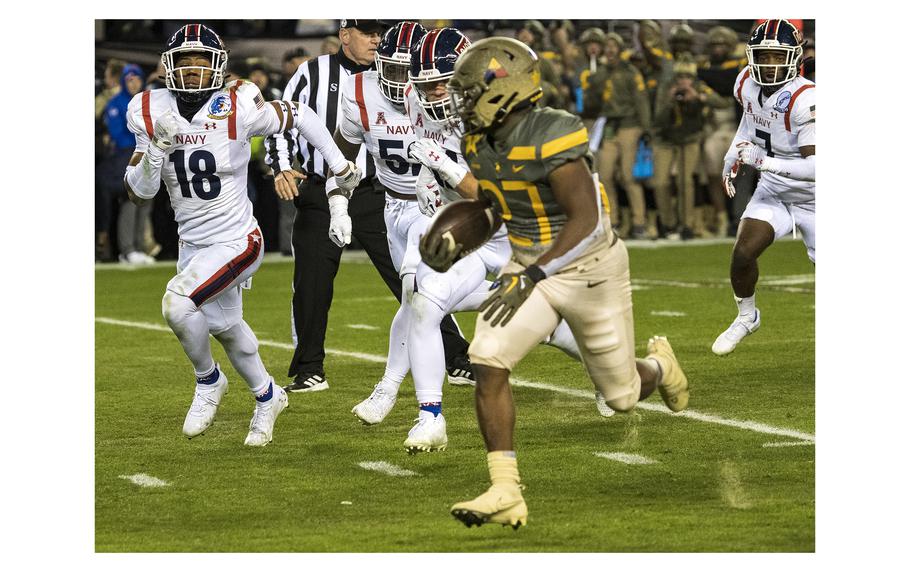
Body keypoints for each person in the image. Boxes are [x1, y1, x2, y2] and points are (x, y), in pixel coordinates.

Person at [426, 37, 689, 529]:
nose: (459, 101)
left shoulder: (554, 132)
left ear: (502, 90)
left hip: (589, 266)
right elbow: (493, 206)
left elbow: (585, 219)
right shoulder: (479, 142)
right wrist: (462, 233)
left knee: (622, 396)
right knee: (487, 358)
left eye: (467, 91)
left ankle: (658, 366)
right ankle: (505, 488)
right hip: (530, 260)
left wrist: (533, 274)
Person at [122, 24, 361, 446]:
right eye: (184, 62)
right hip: (192, 242)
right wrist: (157, 147)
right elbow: (140, 193)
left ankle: (208, 381)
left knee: (177, 305)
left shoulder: (237, 103)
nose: (193, 70)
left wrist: (338, 164)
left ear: (218, 66)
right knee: (227, 327)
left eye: (201, 62)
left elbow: (300, 114)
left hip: (237, 238)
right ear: (168, 67)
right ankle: (268, 396)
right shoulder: (147, 108)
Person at [265, 19, 472, 393]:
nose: (376, 38)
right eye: (367, 31)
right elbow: (283, 117)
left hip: (383, 192)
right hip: (324, 187)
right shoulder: (315, 73)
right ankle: (308, 367)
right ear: (345, 35)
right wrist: (281, 165)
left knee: (412, 279)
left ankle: (457, 356)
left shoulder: (416, 77)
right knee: (311, 281)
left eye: (380, 31)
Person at [712, 19, 815, 356]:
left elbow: (818, 168)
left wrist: (764, 162)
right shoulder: (745, 82)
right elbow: (751, 120)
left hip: (816, 198)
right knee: (742, 252)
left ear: (794, 56)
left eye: (776, 57)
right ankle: (747, 316)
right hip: (774, 188)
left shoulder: (806, 99)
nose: (769, 64)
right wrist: (733, 153)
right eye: (763, 56)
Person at [584, 31, 652, 239]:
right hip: (609, 126)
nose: (610, 50)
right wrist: (592, 84)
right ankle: (612, 221)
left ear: (620, 50)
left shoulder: (631, 72)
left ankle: (639, 222)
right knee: (604, 175)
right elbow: (591, 104)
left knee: (629, 176)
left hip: (629, 125)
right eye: (608, 46)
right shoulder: (600, 74)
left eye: (614, 46)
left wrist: (646, 128)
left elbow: (641, 100)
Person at [651, 55, 725, 239]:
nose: (684, 81)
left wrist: (698, 98)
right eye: (680, 77)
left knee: (685, 181)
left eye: (687, 77)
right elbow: (657, 119)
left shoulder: (699, 88)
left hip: (689, 137)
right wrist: (669, 101)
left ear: (693, 78)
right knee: (660, 182)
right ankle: (668, 223)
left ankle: (687, 224)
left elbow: (721, 102)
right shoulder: (666, 88)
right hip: (666, 139)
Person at [103, 63, 156, 265]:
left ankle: (139, 247)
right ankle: (127, 249)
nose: (133, 83)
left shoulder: (147, 102)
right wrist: (143, 141)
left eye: (136, 79)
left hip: (148, 156)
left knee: (145, 202)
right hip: (126, 156)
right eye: (129, 80)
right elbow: (118, 135)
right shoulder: (116, 103)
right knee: (129, 202)